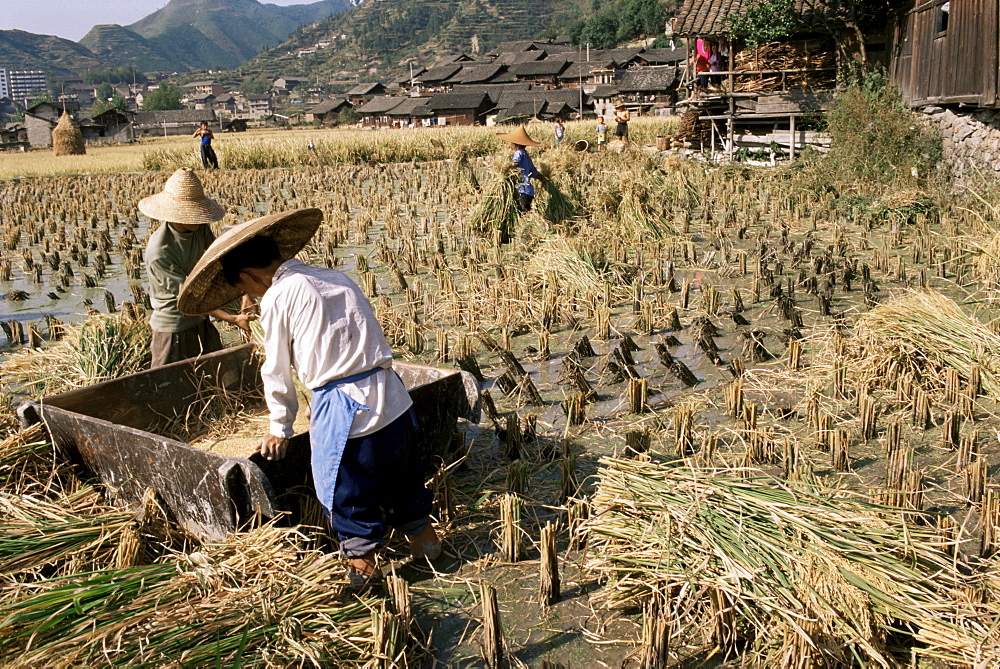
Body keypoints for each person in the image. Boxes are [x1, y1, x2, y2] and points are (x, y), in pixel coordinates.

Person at [176, 209, 440, 587]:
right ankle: (430, 552)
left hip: (348, 410)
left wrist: (280, 427)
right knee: (403, 482)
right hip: (392, 398)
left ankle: (364, 582)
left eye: (245, 288)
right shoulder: (335, 277)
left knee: (350, 497)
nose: (249, 296)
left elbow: (276, 369)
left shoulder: (280, 296)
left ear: (250, 276)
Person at [140, 167, 251, 368]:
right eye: (193, 215)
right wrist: (231, 317)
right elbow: (189, 295)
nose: (199, 219)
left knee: (216, 374)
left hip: (201, 319)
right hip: (173, 326)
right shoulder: (160, 251)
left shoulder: (199, 229)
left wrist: (244, 293)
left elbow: (218, 259)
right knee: (167, 383)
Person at [496, 125, 541, 213]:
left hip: (522, 189)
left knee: (521, 212)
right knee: (526, 211)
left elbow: (515, 162)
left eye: (512, 144)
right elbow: (535, 173)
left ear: (516, 145)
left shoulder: (518, 153)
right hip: (529, 191)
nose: (511, 146)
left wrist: (506, 168)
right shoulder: (527, 156)